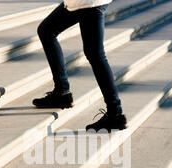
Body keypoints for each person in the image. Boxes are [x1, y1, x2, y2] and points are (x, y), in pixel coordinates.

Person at [32, 0, 127, 132]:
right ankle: (61, 92)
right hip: (81, 3)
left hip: (88, 4)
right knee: (46, 31)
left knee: (95, 54)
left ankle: (115, 113)